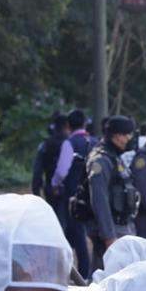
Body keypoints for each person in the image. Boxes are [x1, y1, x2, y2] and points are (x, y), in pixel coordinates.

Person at [82, 115, 139, 271]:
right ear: (117, 135)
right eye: (127, 134)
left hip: (122, 225)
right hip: (110, 230)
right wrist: (109, 236)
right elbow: (99, 198)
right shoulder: (100, 160)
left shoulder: (114, 157)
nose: (129, 139)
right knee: (104, 276)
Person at [50, 109, 94, 277]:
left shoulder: (70, 143)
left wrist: (54, 184)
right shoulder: (95, 141)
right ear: (85, 123)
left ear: (68, 125)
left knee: (77, 232)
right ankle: (63, 266)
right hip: (94, 195)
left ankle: (83, 273)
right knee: (75, 234)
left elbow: (62, 170)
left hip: (74, 195)